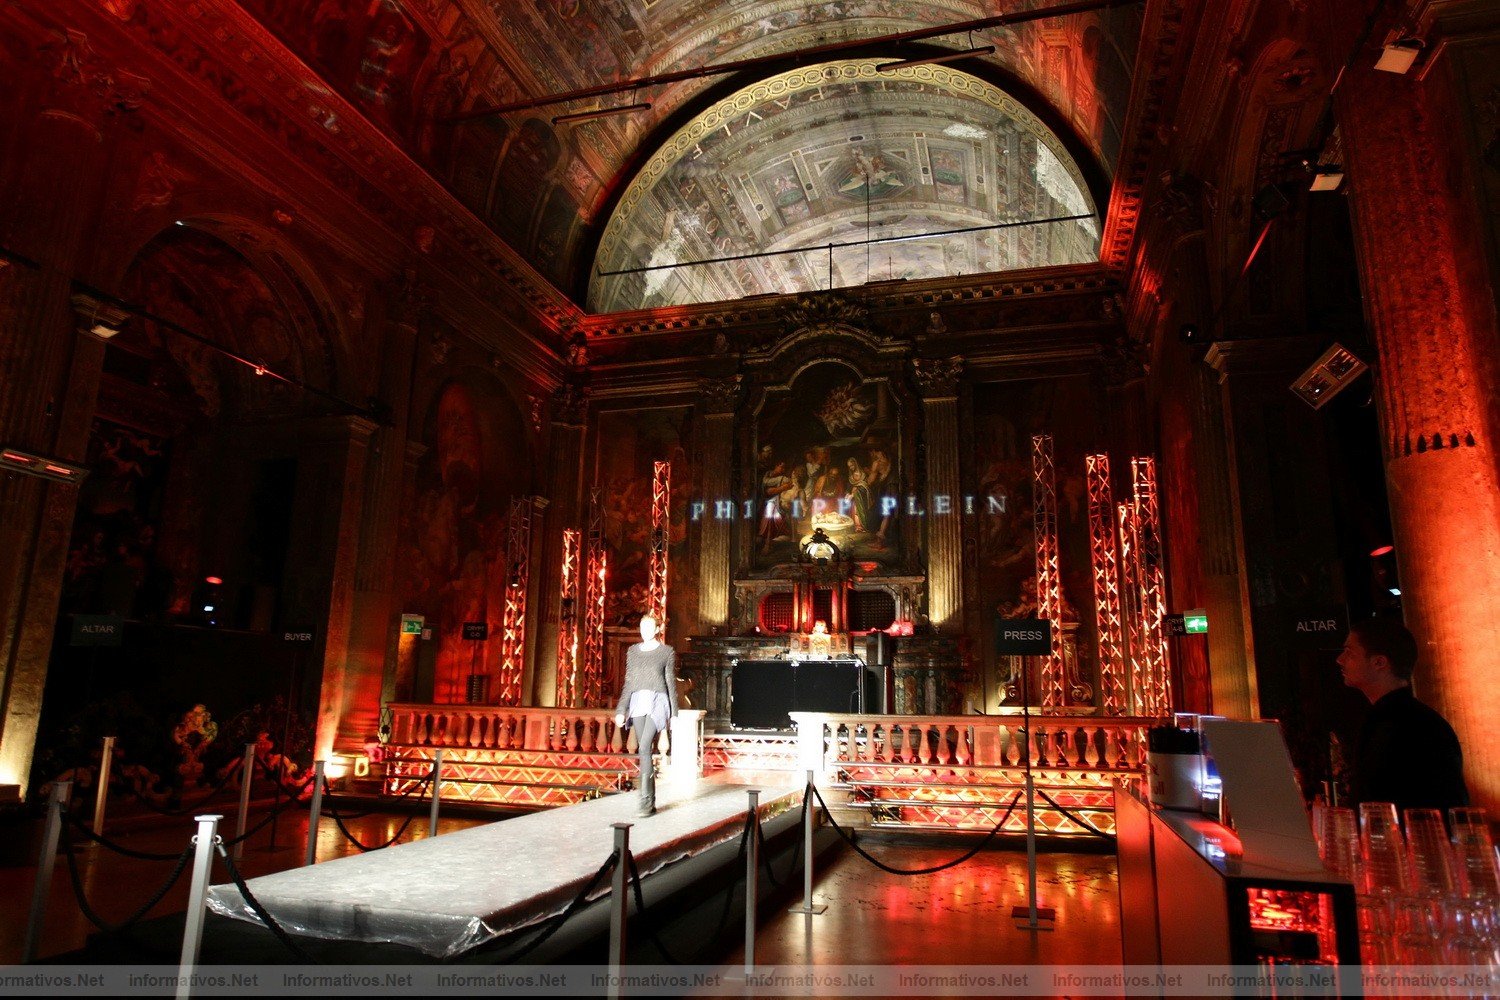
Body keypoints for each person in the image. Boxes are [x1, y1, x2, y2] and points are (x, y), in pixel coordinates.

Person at [1336, 617, 1468, 814]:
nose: (1339, 659)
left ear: (1379, 662)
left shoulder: (1399, 726)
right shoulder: (1423, 721)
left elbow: (1377, 803)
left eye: (1349, 653)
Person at [614, 614, 677, 816]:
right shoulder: (633, 651)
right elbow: (629, 681)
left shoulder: (666, 652)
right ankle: (651, 800)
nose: (645, 631)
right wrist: (620, 709)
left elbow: (670, 683)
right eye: (642, 627)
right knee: (645, 750)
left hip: (658, 701)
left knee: (643, 746)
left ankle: (645, 801)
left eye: (649, 627)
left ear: (657, 629)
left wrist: (674, 713)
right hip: (638, 701)